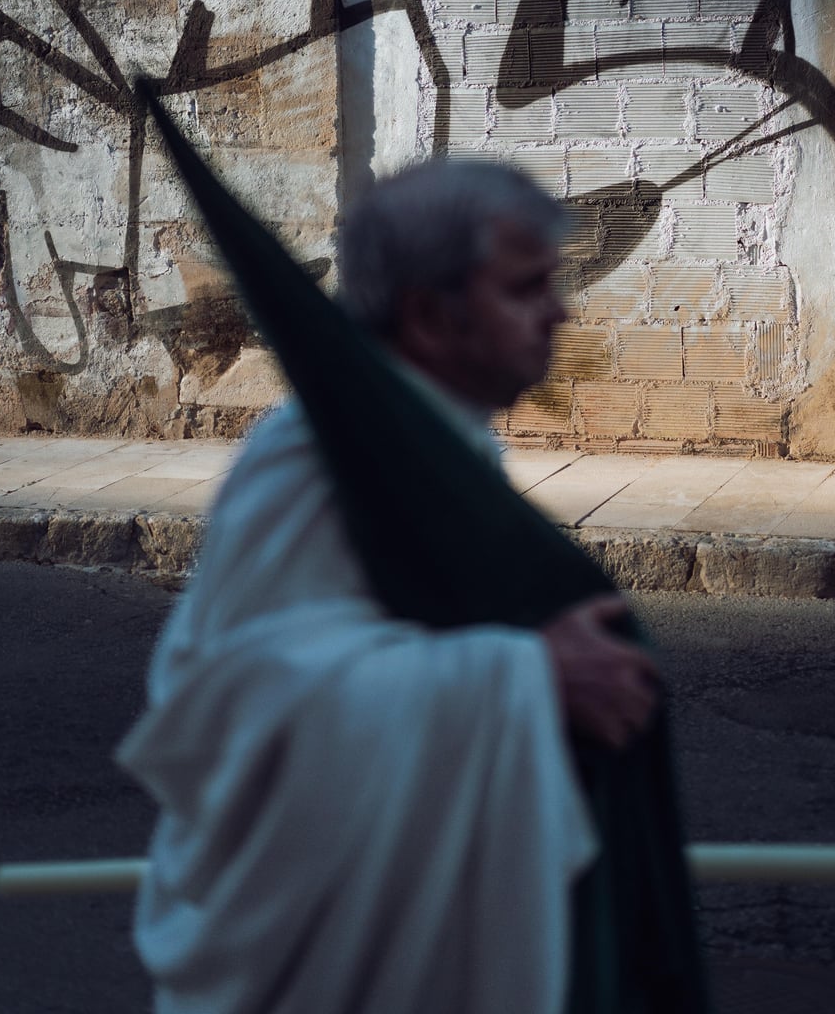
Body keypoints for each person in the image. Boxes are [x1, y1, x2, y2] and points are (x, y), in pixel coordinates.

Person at [118, 159, 661, 1014]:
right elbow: (237, 707)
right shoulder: (313, 460)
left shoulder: (444, 441)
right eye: (526, 288)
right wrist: (523, 680)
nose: (559, 312)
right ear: (430, 315)